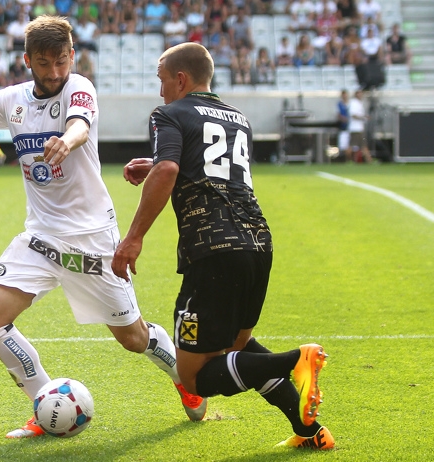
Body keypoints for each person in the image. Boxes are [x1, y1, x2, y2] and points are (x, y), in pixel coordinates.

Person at [0, 15, 207, 439]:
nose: (55, 73)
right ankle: (42, 399)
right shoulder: (10, 100)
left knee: (132, 337)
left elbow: (80, 127)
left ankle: (185, 379)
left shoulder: (79, 87)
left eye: (62, 61)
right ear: (27, 59)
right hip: (40, 237)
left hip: (91, 239)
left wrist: (64, 141)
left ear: (72, 56)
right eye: (45, 64)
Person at [111, 42, 334, 450]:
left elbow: (173, 167)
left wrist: (133, 238)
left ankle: (296, 360)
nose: (160, 91)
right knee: (238, 347)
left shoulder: (167, 114)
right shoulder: (238, 118)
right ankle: (310, 432)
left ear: (180, 79)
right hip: (258, 242)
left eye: (162, 81)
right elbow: (213, 169)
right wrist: (157, 164)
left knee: (195, 375)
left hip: (213, 249)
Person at [347, 89, 373, 163]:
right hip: (355, 128)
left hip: (359, 128)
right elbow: (353, 115)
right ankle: (369, 160)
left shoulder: (359, 103)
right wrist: (363, 117)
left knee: (360, 145)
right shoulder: (354, 103)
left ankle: (368, 160)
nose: (361, 95)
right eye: (359, 93)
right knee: (356, 146)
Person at [337, 89, 350, 158]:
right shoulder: (339, 104)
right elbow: (338, 115)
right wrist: (343, 119)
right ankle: (346, 159)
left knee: (352, 145)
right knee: (344, 145)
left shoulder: (351, 103)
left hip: (351, 128)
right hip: (343, 127)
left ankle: (351, 159)